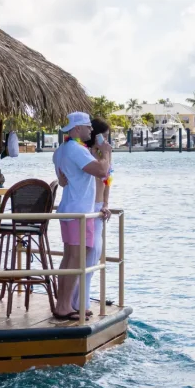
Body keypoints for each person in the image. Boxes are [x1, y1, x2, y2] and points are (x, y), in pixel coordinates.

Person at [52, 112, 112, 320]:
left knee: (69, 257)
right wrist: (106, 153)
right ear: (77, 128)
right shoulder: (76, 150)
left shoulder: (61, 150)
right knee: (76, 260)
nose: (90, 130)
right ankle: (64, 307)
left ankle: (64, 304)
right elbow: (102, 171)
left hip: (69, 208)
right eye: (87, 126)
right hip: (80, 211)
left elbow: (62, 180)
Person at [72, 117, 112, 316]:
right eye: (103, 136)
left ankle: (81, 300)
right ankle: (78, 302)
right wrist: (105, 154)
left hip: (97, 207)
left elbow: (107, 181)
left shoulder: (100, 155)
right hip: (87, 207)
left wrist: (105, 204)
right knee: (88, 253)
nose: (105, 140)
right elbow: (100, 172)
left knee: (94, 255)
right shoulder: (85, 154)